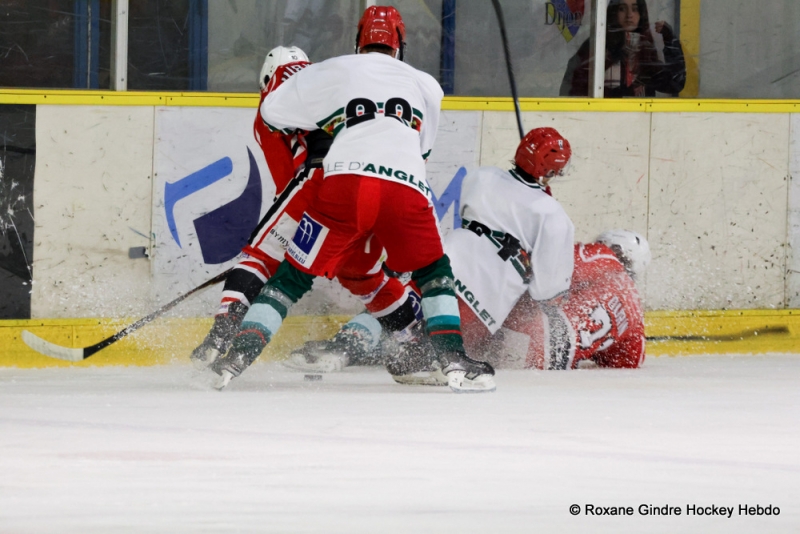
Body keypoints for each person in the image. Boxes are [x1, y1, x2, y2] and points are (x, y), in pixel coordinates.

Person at [209, 6, 496, 393]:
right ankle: (452, 358)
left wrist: (329, 119)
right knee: (432, 273)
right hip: (405, 186)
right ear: (401, 43)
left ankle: (236, 357)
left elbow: (273, 112)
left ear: (358, 39)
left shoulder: (335, 68)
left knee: (292, 277)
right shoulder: (427, 83)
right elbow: (423, 147)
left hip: (343, 184)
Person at [190, 45, 415, 370]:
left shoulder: (271, 104)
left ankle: (221, 334)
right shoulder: (336, 86)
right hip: (377, 189)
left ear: (267, 78)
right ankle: (416, 345)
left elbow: (289, 183)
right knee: (364, 276)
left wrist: (282, 240)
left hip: (321, 185)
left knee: (259, 258)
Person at [496, 230, 650, 370]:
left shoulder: (605, 256)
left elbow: (554, 268)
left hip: (522, 333)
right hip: (553, 364)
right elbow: (630, 361)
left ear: (616, 249)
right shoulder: (635, 314)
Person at [560, 0, 685, 97]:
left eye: (635, 9)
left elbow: (674, 84)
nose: (629, 15)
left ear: (641, 13)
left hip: (641, 121)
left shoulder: (645, 50)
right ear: (614, 12)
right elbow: (573, 88)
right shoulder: (598, 45)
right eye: (622, 9)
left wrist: (670, 40)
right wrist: (618, 94)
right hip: (601, 119)